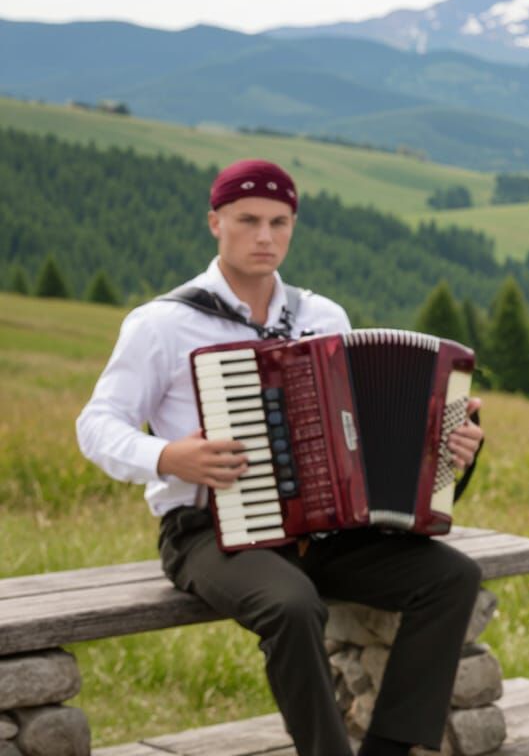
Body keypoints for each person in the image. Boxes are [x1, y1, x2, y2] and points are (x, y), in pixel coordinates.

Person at [77, 158, 485, 756]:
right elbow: (95, 425)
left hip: (324, 531)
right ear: (215, 223)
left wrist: (447, 444)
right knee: (292, 605)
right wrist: (168, 456)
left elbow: (363, 434)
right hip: (209, 532)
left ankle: (389, 749)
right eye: (248, 220)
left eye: (279, 222)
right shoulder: (163, 324)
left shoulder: (323, 317)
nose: (265, 236)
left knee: (452, 578)